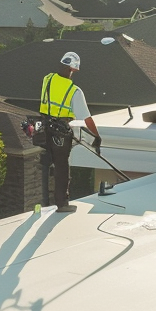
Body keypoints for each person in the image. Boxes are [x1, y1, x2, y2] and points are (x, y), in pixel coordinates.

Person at [39, 50, 102, 213]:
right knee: (61, 167)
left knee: (46, 165)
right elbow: (87, 119)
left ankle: (44, 202)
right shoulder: (74, 91)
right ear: (72, 70)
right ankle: (62, 204)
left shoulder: (47, 79)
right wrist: (96, 136)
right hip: (60, 133)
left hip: (44, 129)